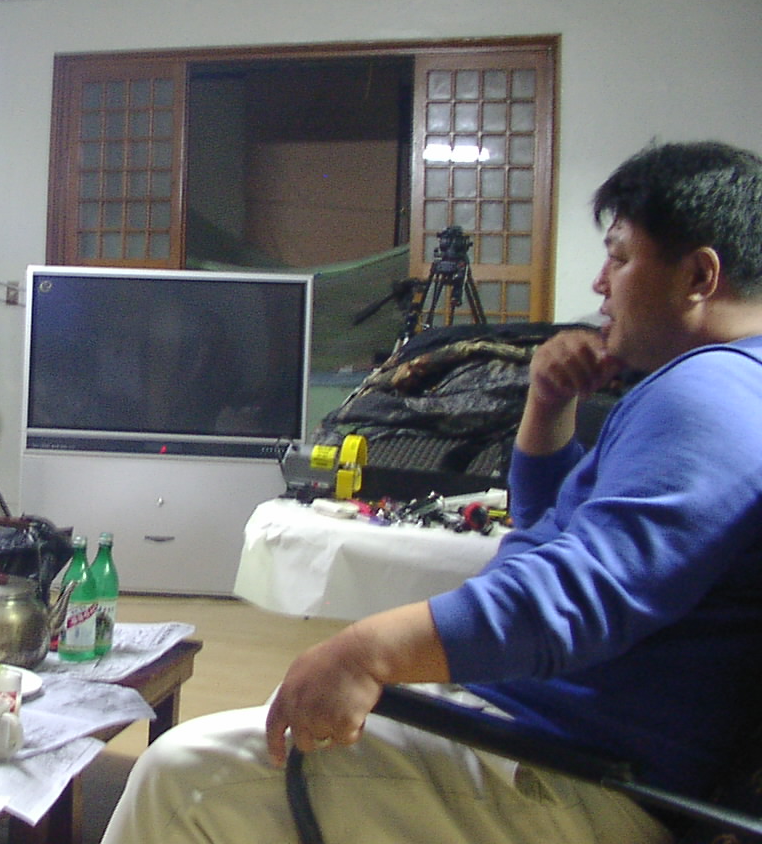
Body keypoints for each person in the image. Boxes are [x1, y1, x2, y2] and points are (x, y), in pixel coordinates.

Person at [101, 140, 762, 844]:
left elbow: (579, 597)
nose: (600, 283)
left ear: (699, 276)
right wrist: (546, 403)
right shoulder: (718, 388)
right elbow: (548, 534)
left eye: (620, 257)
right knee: (271, 735)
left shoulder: (710, 398)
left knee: (184, 777)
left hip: (575, 777)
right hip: (540, 734)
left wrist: (368, 649)